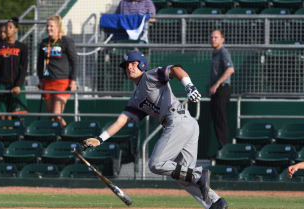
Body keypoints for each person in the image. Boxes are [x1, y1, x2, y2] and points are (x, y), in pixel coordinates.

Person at [83, 50, 228, 209]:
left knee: (156, 164)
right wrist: (100, 138)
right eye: (126, 65)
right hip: (186, 124)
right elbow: (122, 120)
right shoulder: (136, 98)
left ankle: (199, 175)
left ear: (142, 64)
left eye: (133, 63)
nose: (129, 67)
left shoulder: (148, 76)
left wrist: (189, 86)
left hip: (178, 121)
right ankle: (215, 203)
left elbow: (175, 69)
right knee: (184, 177)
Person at [37, 15, 78, 127]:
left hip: (62, 82)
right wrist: (40, 79)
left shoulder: (66, 41)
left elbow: (74, 61)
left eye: (51, 26)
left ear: (58, 27)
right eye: (47, 26)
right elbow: (39, 63)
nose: (49, 28)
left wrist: (73, 80)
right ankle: (56, 139)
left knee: (57, 115)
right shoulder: (44, 42)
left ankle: (67, 135)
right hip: (48, 82)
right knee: (52, 116)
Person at [0, 17, 29, 121]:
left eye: (10, 27)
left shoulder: (22, 47)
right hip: (2, 84)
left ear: (16, 30)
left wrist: (18, 85)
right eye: (6, 27)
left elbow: (23, 68)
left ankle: (15, 136)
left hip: (16, 85)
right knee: (2, 116)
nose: (7, 29)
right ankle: (3, 135)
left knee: (17, 115)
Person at [209, 29, 234, 149]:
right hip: (216, 91)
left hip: (222, 89)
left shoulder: (223, 52)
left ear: (222, 40)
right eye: (212, 37)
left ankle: (225, 148)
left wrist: (217, 84)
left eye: (216, 37)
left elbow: (230, 69)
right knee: (217, 120)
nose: (213, 39)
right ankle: (221, 148)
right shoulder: (215, 53)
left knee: (221, 120)